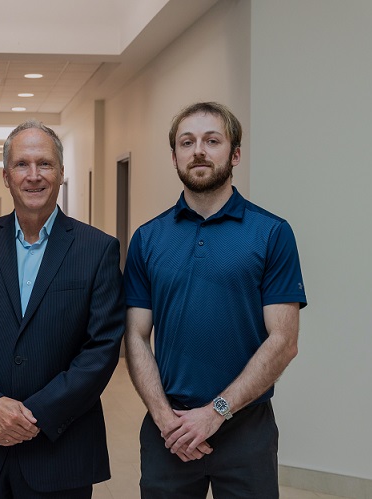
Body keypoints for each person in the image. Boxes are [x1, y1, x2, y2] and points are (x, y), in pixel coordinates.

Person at [0, 119, 125, 498]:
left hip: (61, 449)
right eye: (22, 165)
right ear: (6, 176)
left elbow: (101, 349)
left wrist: (33, 416)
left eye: (45, 164)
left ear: (62, 173)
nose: (33, 176)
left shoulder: (97, 249)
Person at [124, 102, 307, 498]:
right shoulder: (147, 239)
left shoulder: (271, 234)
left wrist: (215, 413)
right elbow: (136, 336)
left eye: (212, 140)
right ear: (174, 156)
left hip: (246, 427)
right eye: (186, 142)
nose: (199, 151)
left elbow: (284, 341)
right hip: (168, 427)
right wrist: (162, 416)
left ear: (235, 153)